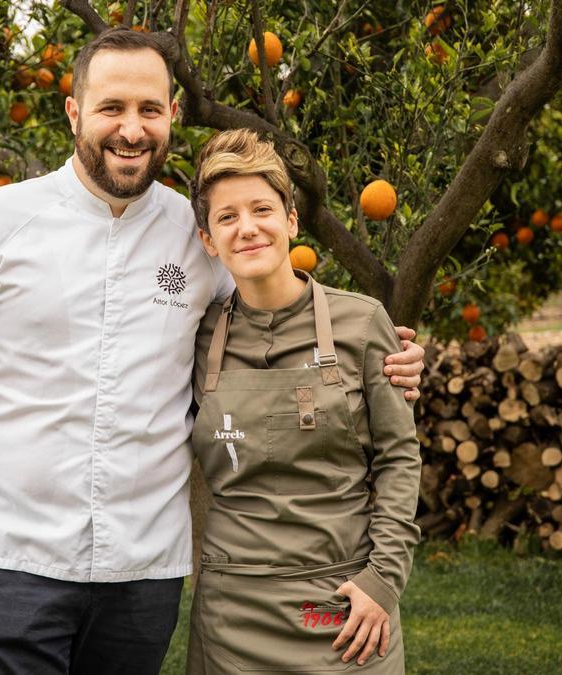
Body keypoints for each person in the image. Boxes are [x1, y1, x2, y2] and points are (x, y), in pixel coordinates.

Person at [0, 27, 425, 674]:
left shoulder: (194, 230)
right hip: (11, 557)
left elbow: (276, 308)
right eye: (111, 108)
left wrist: (385, 353)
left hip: (141, 573)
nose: (131, 128)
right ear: (74, 113)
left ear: (172, 115)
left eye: (149, 109)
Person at [186, 129, 421, 674]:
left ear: (291, 220)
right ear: (207, 240)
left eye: (262, 209)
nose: (247, 228)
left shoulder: (362, 322)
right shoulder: (194, 339)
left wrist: (382, 581)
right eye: (226, 217)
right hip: (231, 612)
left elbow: (399, 459)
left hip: (344, 605)